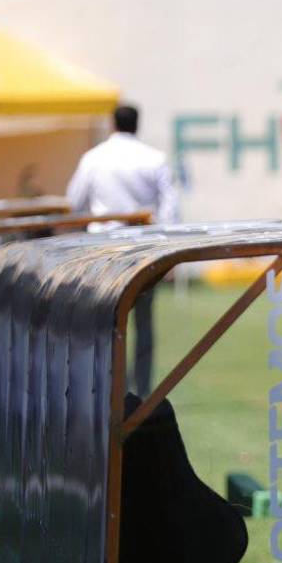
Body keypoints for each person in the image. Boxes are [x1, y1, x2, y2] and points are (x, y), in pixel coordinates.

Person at [67, 103, 179, 395]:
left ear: (112, 124)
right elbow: (170, 208)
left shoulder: (93, 158)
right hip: (143, 249)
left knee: (105, 321)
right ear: (137, 125)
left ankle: (106, 387)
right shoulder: (155, 158)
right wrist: (171, 254)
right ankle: (141, 392)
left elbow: (74, 202)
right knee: (143, 323)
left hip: (104, 251)